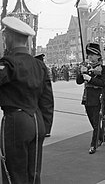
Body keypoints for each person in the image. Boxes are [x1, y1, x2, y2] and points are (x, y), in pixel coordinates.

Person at [0, 16, 54, 184]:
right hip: (37, 122)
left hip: (16, 121)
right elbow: (47, 101)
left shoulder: (8, 63)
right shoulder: (39, 65)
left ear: (8, 38)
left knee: (14, 174)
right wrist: (45, 127)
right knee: (33, 174)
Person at [76, 43, 105, 154]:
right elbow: (78, 81)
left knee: (96, 122)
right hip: (87, 97)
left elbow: (103, 83)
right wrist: (81, 72)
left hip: (98, 97)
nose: (90, 57)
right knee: (92, 121)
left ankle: (93, 145)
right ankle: (102, 137)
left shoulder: (103, 67)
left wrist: (90, 79)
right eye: (89, 54)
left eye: (92, 54)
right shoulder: (87, 66)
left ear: (98, 55)